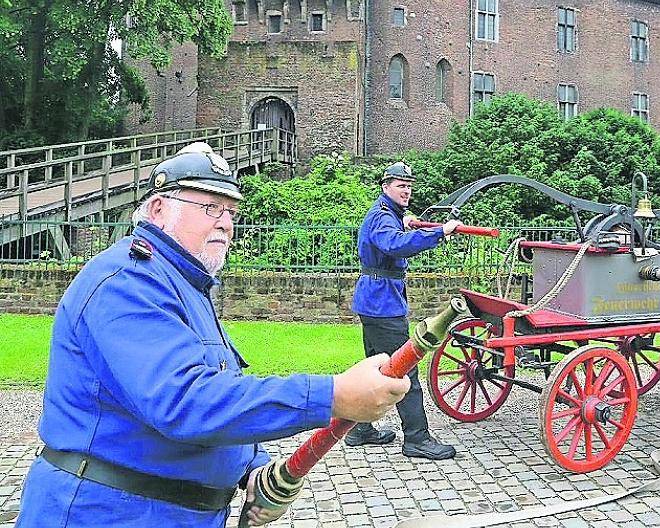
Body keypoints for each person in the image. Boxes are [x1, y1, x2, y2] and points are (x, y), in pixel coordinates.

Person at [16, 143, 411, 527]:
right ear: (158, 209)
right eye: (210, 208)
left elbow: (218, 387)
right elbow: (185, 400)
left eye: (231, 212)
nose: (225, 222)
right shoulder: (128, 282)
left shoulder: (185, 282)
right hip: (107, 512)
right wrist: (332, 395)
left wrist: (253, 470)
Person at [347, 161, 462, 460]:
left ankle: (361, 429)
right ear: (386, 187)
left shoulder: (387, 214)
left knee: (377, 365)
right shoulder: (383, 217)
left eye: (409, 186)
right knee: (404, 370)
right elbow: (394, 245)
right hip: (383, 304)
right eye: (400, 185)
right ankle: (417, 439)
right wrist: (440, 232)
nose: (406, 190)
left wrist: (405, 221)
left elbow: (393, 233)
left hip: (374, 300)